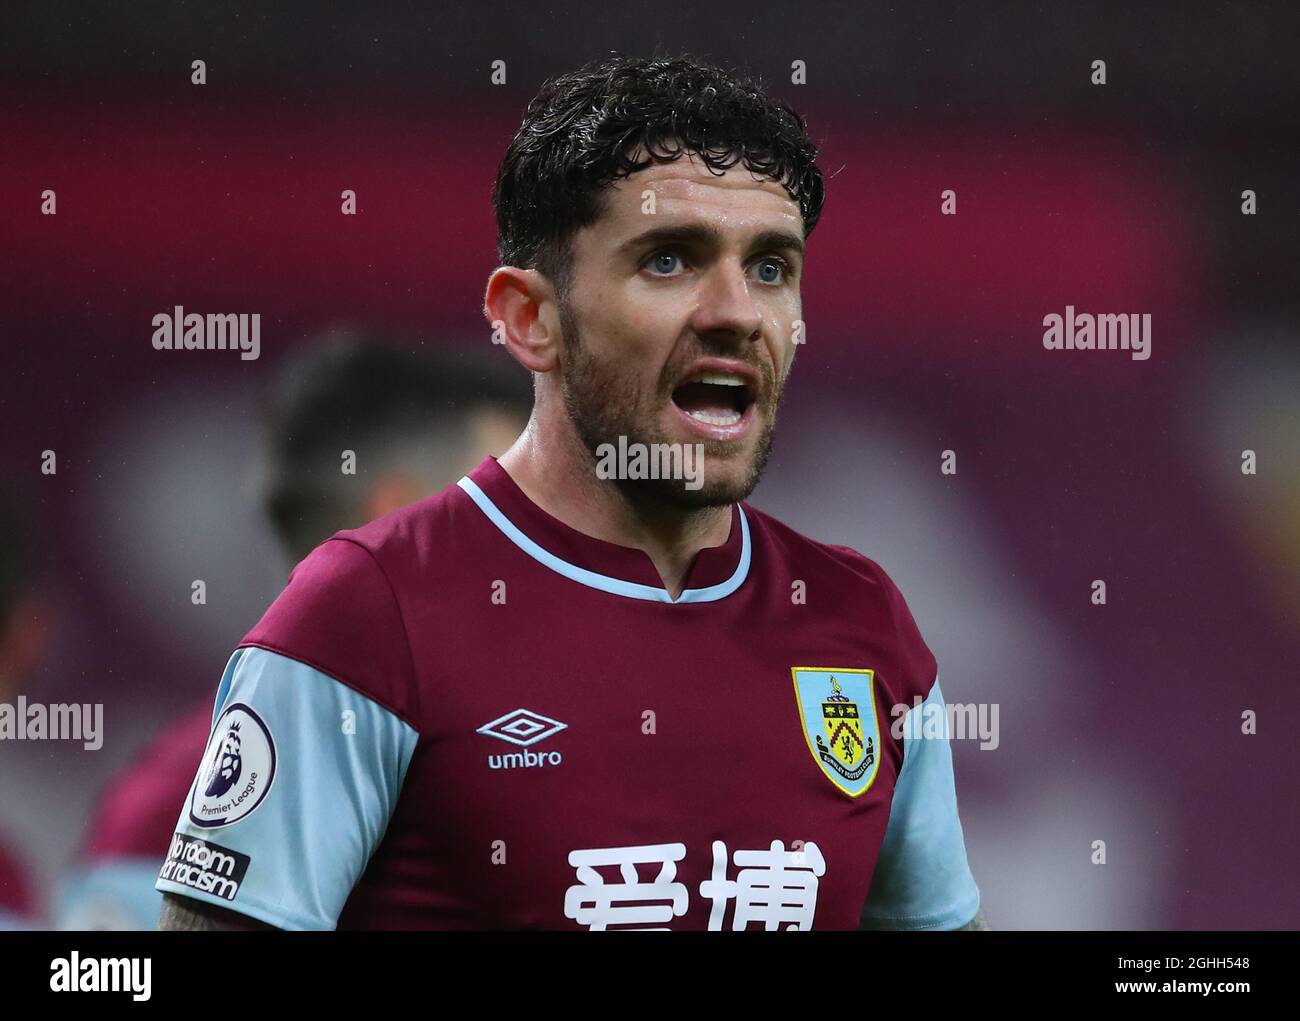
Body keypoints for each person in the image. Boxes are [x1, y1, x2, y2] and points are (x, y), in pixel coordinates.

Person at [158, 55, 985, 931]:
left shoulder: (862, 626)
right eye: (671, 260)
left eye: (772, 267)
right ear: (530, 319)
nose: (738, 312)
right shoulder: (365, 616)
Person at [56, 334, 529, 929]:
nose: (537, 545)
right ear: (403, 521)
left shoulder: (528, 763)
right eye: (507, 508)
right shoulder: (164, 815)